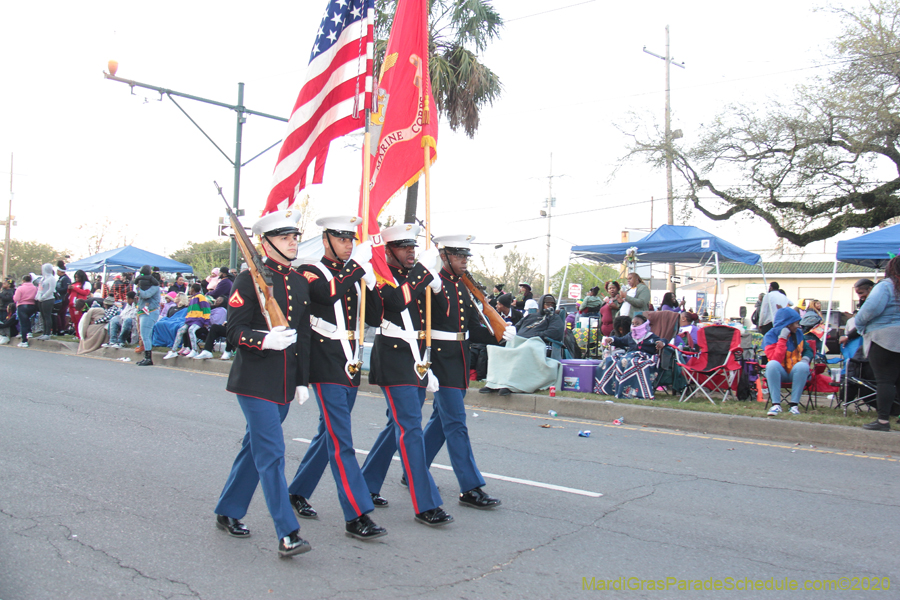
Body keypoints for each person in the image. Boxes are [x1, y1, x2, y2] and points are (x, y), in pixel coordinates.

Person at [213, 208, 313, 558]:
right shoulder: (248, 280)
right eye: (286, 237)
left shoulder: (299, 281)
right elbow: (233, 331)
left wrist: (302, 380)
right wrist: (264, 339)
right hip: (254, 380)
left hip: (284, 383)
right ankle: (287, 532)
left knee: (253, 448)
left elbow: (304, 337)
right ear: (265, 242)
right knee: (272, 453)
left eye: (295, 236)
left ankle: (228, 510)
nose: (293, 241)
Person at [286, 215, 386, 541]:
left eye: (350, 239)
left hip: (351, 361)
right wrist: (357, 269)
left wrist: (371, 285)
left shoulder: (355, 274)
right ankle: (356, 513)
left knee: (328, 434)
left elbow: (373, 317)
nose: (348, 244)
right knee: (342, 438)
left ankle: (297, 490)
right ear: (326, 239)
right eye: (342, 239)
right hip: (325, 360)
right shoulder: (310, 269)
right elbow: (325, 295)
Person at [358, 223, 455, 526]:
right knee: (411, 427)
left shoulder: (416, 278)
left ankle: (366, 485)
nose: (411, 252)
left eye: (413, 247)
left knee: (397, 426)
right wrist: (424, 273)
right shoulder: (381, 277)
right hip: (394, 357)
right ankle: (426, 503)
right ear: (387, 251)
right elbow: (398, 301)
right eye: (404, 247)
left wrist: (439, 288)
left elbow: (444, 315)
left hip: (418, 359)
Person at [417, 234, 502, 510]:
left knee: (443, 422)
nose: (464, 261)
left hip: (460, 359)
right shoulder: (435, 284)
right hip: (441, 360)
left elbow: (470, 326)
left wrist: (501, 335)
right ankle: (470, 487)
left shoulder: (462, 286)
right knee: (456, 423)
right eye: (459, 256)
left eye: (466, 256)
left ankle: (415, 469)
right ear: (444, 257)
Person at [853, 257, 900, 431]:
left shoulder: (886, 286)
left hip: (883, 337)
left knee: (885, 380)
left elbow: (870, 309)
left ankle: (883, 421)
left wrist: (860, 326)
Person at [764, 308, 813, 416]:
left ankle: (794, 406)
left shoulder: (799, 334)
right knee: (771, 364)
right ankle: (776, 405)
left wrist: (805, 359)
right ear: (787, 325)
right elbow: (776, 359)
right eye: (796, 323)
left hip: (796, 372)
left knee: (802, 366)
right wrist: (782, 338)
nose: (798, 326)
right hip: (778, 373)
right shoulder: (770, 336)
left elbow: (808, 350)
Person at [163, 283, 210, 359]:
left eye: (191, 288)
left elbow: (206, 309)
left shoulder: (201, 297)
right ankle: (173, 351)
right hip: (190, 320)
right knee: (180, 330)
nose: (190, 290)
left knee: (191, 330)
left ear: (193, 289)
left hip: (198, 319)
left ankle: (194, 350)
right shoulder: (192, 298)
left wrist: (206, 321)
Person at [134, 265, 161, 366]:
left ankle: (148, 358)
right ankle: (146, 357)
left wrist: (138, 289)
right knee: (145, 335)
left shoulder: (154, 287)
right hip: (143, 312)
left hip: (150, 312)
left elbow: (145, 295)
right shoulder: (145, 287)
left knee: (145, 335)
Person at [839, 279, 875, 345]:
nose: (860, 296)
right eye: (858, 294)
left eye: (861, 293)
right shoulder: (864, 301)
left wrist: (848, 336)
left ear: (870, 289)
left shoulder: (875, 303)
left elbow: (864, 322)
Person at [13, 274, 38, 347]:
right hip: (32, 305)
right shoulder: (35, 288)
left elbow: (16, 299)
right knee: (28, 320)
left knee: (23, 323)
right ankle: (29, 332)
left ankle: (24, 341)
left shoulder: (20, 288)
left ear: (23, 280)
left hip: (22, 306)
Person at [35, 263, 58, 341]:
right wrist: (38, 296)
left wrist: (44, 296)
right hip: (41, 299)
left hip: (48, 299)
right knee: (43, 316)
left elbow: (51, 289)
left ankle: (48, 333)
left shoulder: (51, 278)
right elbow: (40, 288)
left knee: (47, 316)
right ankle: (44, 332)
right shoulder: (43, 278)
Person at [67, 270, 92, 338]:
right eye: (75, 277)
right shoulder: (74, 283)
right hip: (71, 305)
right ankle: (77, 335)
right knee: (74, 321)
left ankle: (81, 335)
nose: (76, 279)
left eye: (78, 277)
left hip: (79, 305)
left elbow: (86, 293)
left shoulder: (86, 284)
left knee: (79, 321)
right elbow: (70, 293)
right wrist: (69, 289)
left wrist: (75, 288)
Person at [0, 278, 17, 344]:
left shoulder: (10, 291)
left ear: (9, 285)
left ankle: (5, 335)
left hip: (5, 309)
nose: (3, 284)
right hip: (1, 308)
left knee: (5, 322)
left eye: (5, 283)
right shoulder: (3, 291)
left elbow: (7, 298)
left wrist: (1, 295)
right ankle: (1, 335)